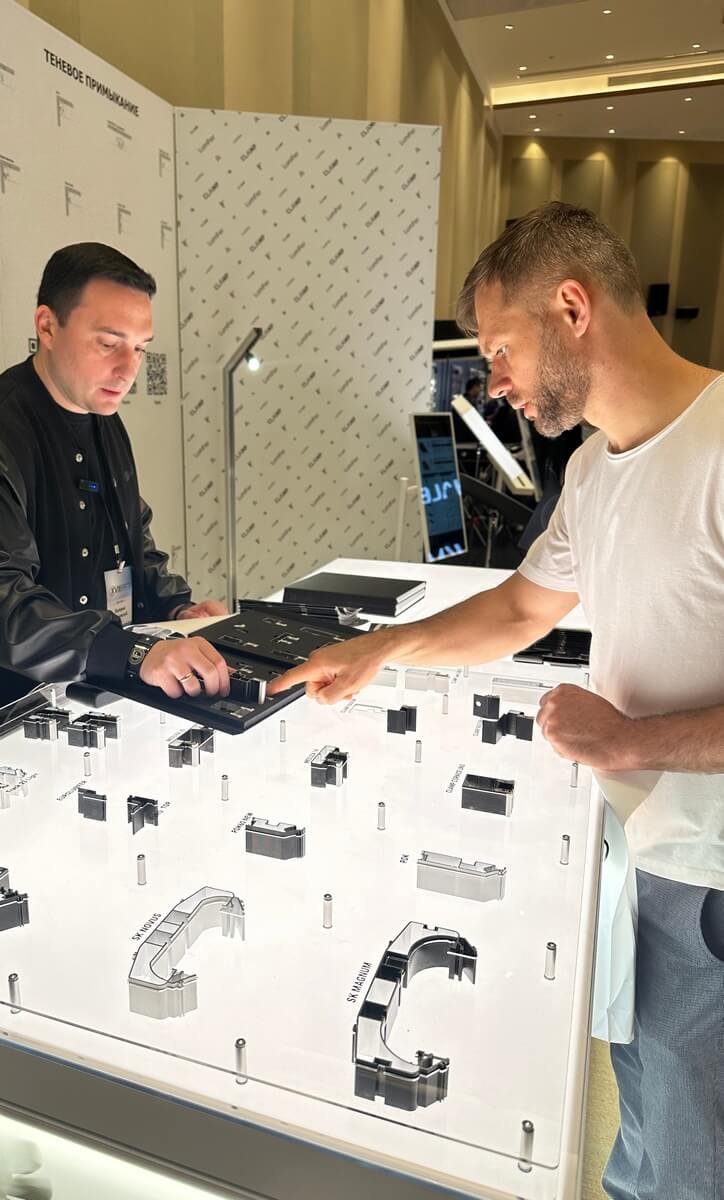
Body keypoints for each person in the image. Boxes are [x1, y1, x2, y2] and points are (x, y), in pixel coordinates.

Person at [271, 203, 723, 1200]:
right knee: (649, 1133)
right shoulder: (596, 473)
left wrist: (630, 739)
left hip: (711, 885)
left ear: (572, 307)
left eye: (500, 348)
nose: (495, 381)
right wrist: (383, 648)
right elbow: (521, 608)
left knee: (693, 1162)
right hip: (642, 867)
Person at [0, 242, 229, 735]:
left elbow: (131, 538)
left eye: (140, 347)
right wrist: (130, 652)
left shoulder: (103, 417)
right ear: (47, 326)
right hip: (8, 709)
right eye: (108, 344)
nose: (128, 369)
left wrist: (176, 608)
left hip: (99, 689)